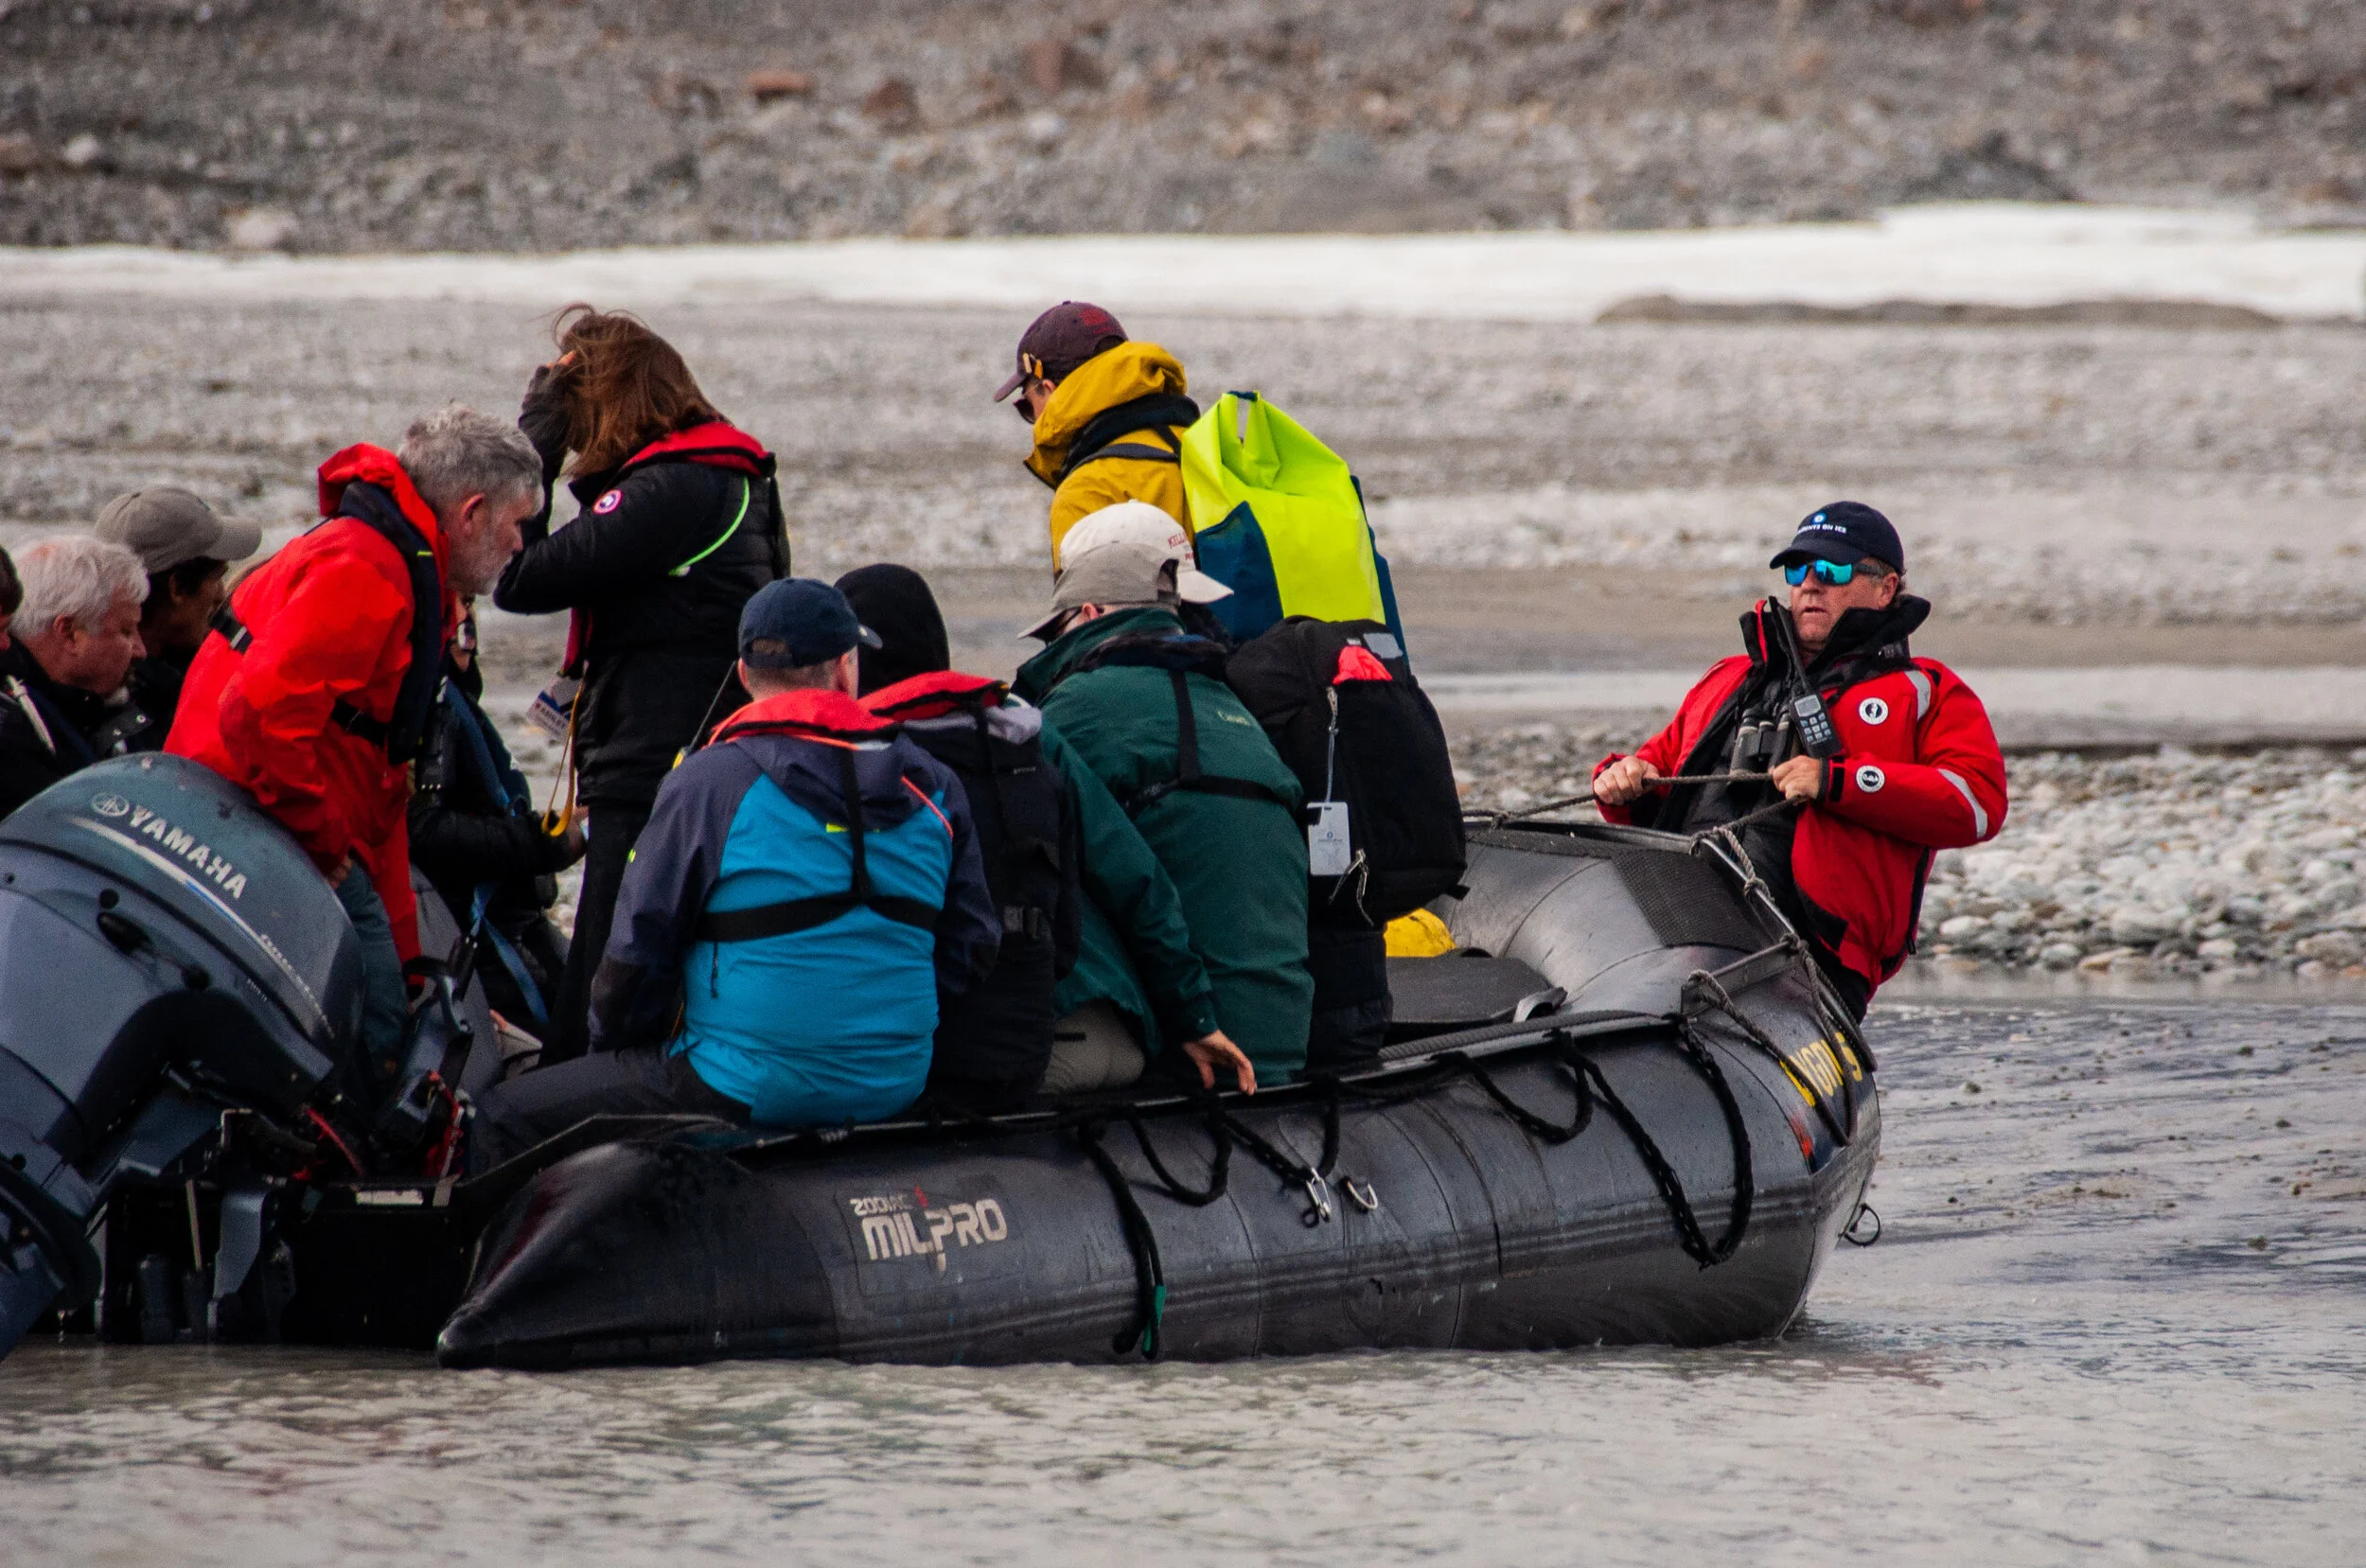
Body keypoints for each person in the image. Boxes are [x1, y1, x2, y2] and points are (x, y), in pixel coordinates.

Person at [466, 580, 999, 1168]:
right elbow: (970, 948)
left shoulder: (709, 782)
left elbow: (636, 957)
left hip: (741, 1086)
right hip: (895, 1083)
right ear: (847, 669)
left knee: (501, 1115)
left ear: (744, 675)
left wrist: (615, 1055)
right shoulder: (934, 785)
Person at [169, 408, 540, 1093]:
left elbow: (370, 763)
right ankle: (345, 1169)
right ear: (471, 512)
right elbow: (259, 714)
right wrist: (324, 841)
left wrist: (407, 950)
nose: (522, 544)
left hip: (304, 800)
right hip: (251, 805)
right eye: (518, 524)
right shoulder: (364, 569)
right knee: (375, 1019)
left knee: (399, 983)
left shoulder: (393, 561)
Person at [839, 563, 1255, 1105]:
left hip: (1030, 1052)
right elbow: (1135, 876)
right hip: (1123, 1031)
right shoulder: (1020, 728)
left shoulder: (854, 763)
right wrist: (1192, 1016)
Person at [494, 306, 788, 1067]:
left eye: (580, 412)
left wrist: (536, 445)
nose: (582, 433)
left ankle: (567, 1106)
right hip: (697, 748)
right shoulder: (729, 470)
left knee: (607, 947)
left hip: (655, 758)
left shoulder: (672, 487)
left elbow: (519, 576)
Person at [1591, 502, 2007, 1018]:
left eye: (1832, 570)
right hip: (1677, 933)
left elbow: (1978, 804)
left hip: (1819, 962)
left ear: (1885, 587)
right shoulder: (1729, 677)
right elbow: (1656, 770)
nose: (1811, 584)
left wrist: (1840, 783)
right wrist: (1624, 778)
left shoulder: (1927, 690)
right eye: (1798, 569)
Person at [1012, 530, 1314, 1086]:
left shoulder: (1080, 706)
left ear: (1091, 611)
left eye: (1057, 629)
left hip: (1188, 1051)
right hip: (1282, 1039)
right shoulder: (1232, 705)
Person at [407, 601, 587, 1042]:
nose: (469, 643)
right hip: (485, 935)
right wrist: (551, 843)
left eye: (471, 629)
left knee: (590, 1012)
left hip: (519, 922)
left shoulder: (454, 700)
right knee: (573, 1036)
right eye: (460, 631)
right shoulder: (436, 707)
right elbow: (425, 832)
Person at [995, 301, 1199, 569]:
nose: (1032, 420)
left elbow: (1088, 609)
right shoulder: (1211, 449)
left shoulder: (1085, 491)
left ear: (1049, 389)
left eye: (1027, 405)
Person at [92, 485, 262, 753]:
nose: (222, 595)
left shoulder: (84, 682)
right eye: (217, 578)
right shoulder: (139, 712)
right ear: (178, 588)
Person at [0, 537, 147, 817]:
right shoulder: (11, 733)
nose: (141, 650)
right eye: (127, 631)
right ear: (68, 633)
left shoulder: (75, 707)